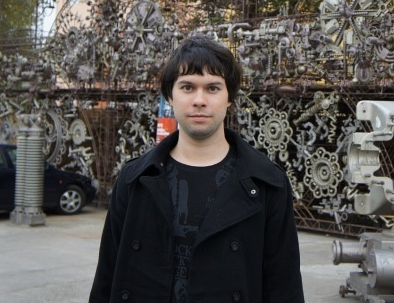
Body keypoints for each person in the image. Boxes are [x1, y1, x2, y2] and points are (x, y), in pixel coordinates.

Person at [89, 36, 305, 303]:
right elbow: (107, 276)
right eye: (188, 87)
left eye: (213, 88)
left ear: (229, 97)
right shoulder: (135, 179)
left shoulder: (267, 183)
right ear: (170, 95)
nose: (199, 100)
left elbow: (284, 286)